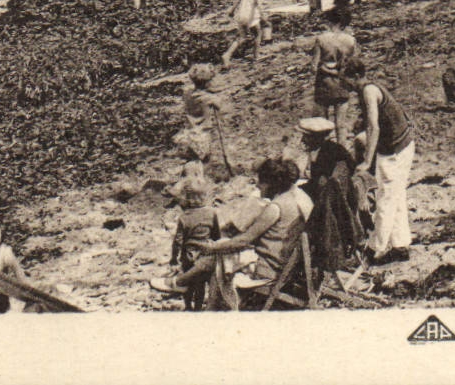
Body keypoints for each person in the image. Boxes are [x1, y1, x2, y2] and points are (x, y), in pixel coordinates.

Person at [151, 157, 313, 294]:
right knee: (223, 249)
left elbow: (244, 240)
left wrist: (212, 248)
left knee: (220, 252)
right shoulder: (299, 197)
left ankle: (182, 284)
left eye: (261, 183)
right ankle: (183, 282)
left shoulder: (276, 207)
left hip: (269, 270)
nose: (257, 186)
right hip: (286, 265)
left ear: (272, 183)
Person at [347, 59, 415, 264]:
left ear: (356, 77)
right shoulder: (372, 87)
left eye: (346, 79)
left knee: (385, 198)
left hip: (394, 150)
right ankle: (400, 245)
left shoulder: (368, 92)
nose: (345, 84)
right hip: (402, 144)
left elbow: (373, 128)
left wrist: (367, 162)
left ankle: (375, 249)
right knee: (396, 195)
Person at [298, 116, 367, 274]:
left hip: (337, 200)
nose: (303, 140)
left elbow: (324, 184)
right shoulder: (325, 149)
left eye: (306, 136)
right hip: (334, 195)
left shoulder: (331, 153)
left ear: (315, 138)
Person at [310, 25, 360, 144]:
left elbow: (313, 67)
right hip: (341, 83)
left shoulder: (321, 39)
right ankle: (341, 150)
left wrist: (325, 68)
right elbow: (354, 63)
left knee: (322, 122)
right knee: (340, 124)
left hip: (324, 83)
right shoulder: (350, 40)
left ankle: (325, 152)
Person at [173, 63, 223, 165]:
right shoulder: (208, 98)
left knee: (191, 162)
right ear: (207, 82)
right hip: (202, 134)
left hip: (189, 133)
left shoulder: (187, 94)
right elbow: (219, 105)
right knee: (204, 162)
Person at [221, 0, 269, 67]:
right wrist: (263, 16)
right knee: (258, 34)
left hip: (241, 15)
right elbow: (258, 4)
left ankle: (227, 54)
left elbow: (238, 0)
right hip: (251, 16)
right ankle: (256, 57)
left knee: (242, 37)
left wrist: (231, 11)